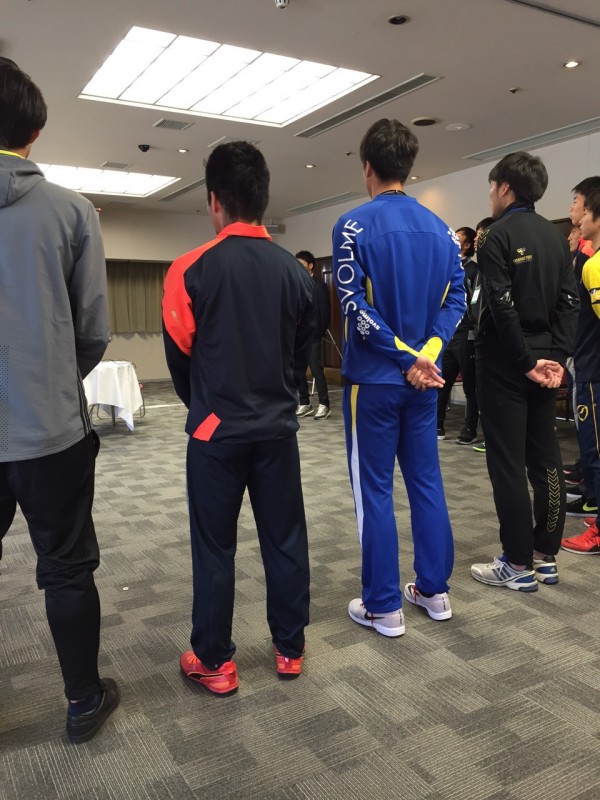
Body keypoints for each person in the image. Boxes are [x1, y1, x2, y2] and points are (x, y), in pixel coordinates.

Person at [162, 141, 314, 695]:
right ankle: (290, 649)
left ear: (214, 200)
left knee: (214, 547)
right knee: (285, 538)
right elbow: (299, 356)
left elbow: (181, 359)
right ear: (263, 197)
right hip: (277, 431)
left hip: (215, 433)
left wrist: (205, 406)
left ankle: (214, 661)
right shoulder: (297, 273)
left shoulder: (187, 270)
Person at [0, 61, 118, 742]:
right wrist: (51, 377)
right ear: (36, 132)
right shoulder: (72, 211)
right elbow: (94, 329)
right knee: (67, 567)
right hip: (49, 429)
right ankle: (82, 703)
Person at [332, 118, 465, 636]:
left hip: (374, 381)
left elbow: (352, 304)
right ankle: (434, 590)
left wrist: (407, 355)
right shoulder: (444, 232)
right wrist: (427, 354)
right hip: (424, 381)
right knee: (426, 482)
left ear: (367, 166)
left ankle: (383, 605)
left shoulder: (351, 226)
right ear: (408, 168)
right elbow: (456, 301)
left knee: (375, 492)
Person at [471, 151, 579, 592]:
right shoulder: (556, 236)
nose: (490, 195)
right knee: (545, 456)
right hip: (545, 362)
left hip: (506, 362)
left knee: (507, 462)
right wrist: (555, 357)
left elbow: (501, 306)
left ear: (505, 188)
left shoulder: (495, 236)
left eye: (491, 186)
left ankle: (517, 562)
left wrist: (525, 362)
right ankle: (544, 554)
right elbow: (569, 303)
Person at [560, 186, 600, 553]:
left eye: (583, 210)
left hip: (592, 370)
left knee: (595, 450)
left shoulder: (594, 264)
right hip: (587, 364)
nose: (578, 218)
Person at [437, 226, 479, 444]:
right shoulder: (447, 268)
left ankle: (470, 429)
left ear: (467, 244)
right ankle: (437, 425)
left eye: (459, 238)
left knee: (470, 386)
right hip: (448, 335)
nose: (454, 239)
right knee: (441, 383)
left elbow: (475, 303)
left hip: (466, 335)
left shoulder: (473, 270)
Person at [294, 249, 332, 420]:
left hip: (312, 336)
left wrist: (319, 333)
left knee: (316, 370)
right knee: (298, 370)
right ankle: (304, 402)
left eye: (301, 264)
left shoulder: (319, 286)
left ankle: (324, 404)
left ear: (310, 266)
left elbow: (324, 312)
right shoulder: (295, 284)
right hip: (297, 336)